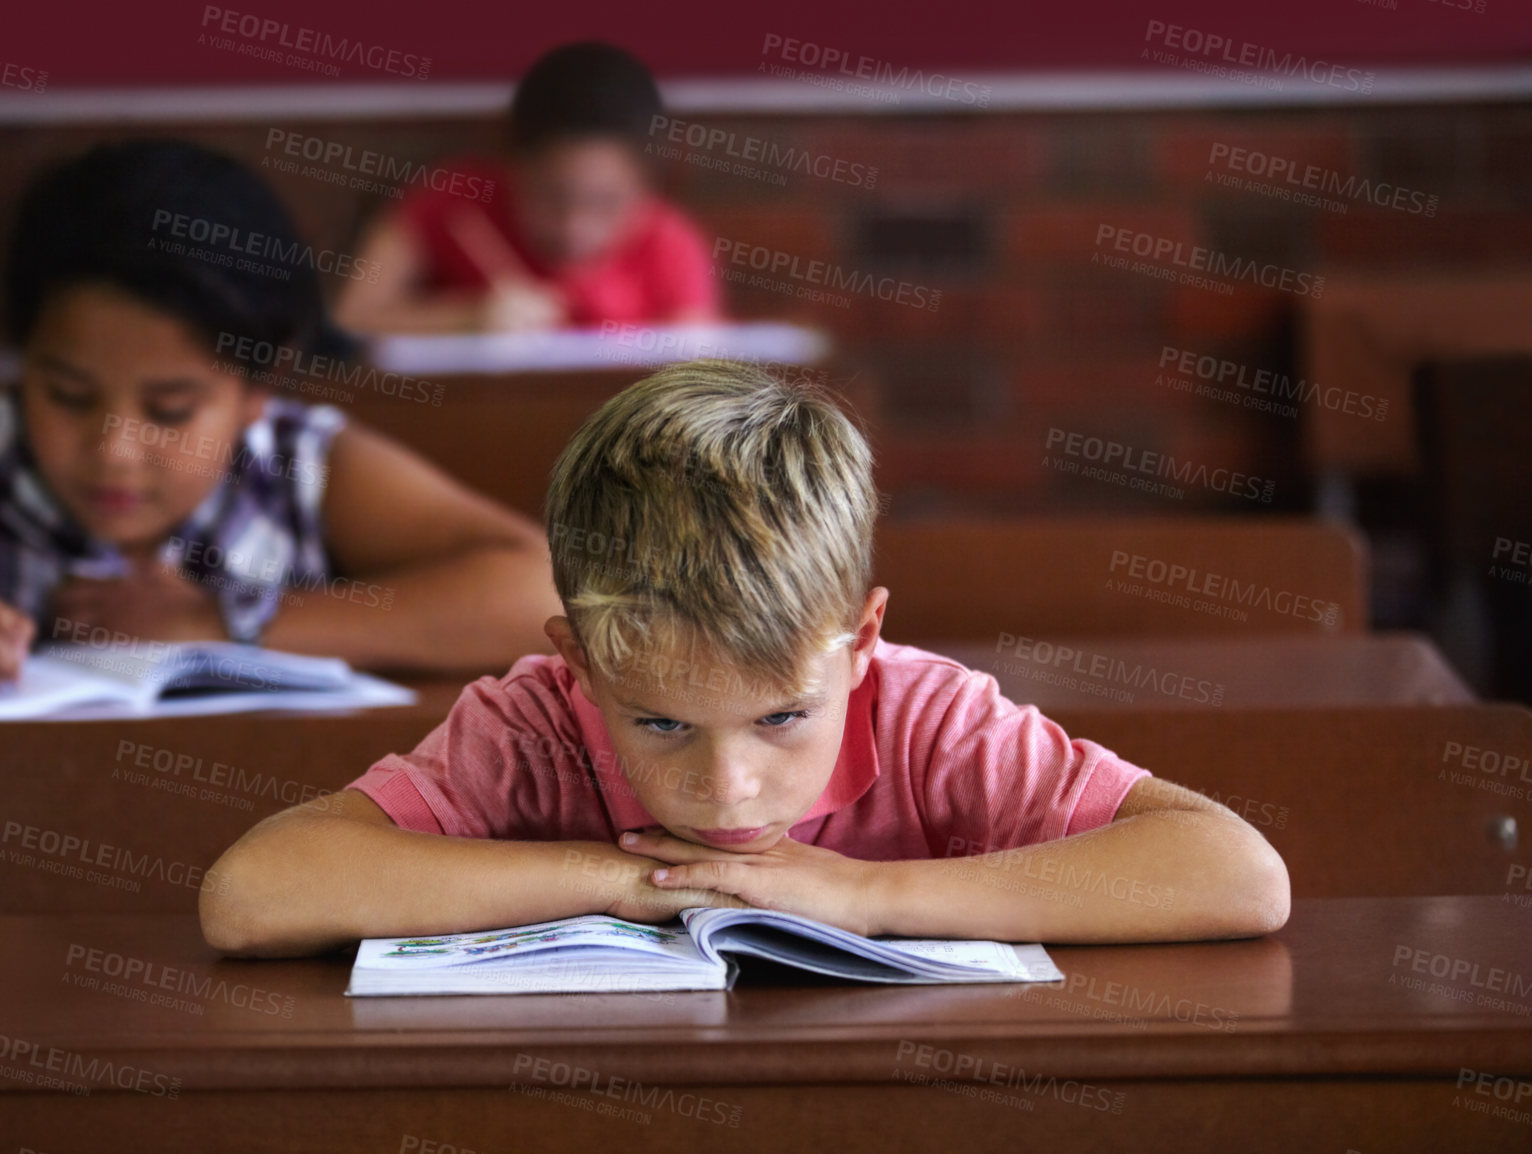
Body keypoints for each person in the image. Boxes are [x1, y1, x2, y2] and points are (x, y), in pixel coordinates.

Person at [200, 361, 1291, 956]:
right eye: (662, 723)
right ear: (577, 660)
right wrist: (634, 883)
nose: (724, 789)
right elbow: (251, 894)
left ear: (859, 642)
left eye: (780, 719)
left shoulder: (928, 716)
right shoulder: (533, 723)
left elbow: (1236, 872)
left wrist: (870, 897)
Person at [0, 139, 561, 697]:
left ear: (256, 390)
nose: (114, 453)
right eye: (67, 394)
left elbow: (539, 595)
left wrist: (223, 623)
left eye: (170, 409)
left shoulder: (300, 462)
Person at [335, 41, 719, 335]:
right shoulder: (452, 201)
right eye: (550, 196)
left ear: (648, 184)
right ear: (512, 163)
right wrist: (467, 319)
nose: (574, 227)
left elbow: (699, 351)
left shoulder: (669, 240)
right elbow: (348, 320)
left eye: (606, 202)